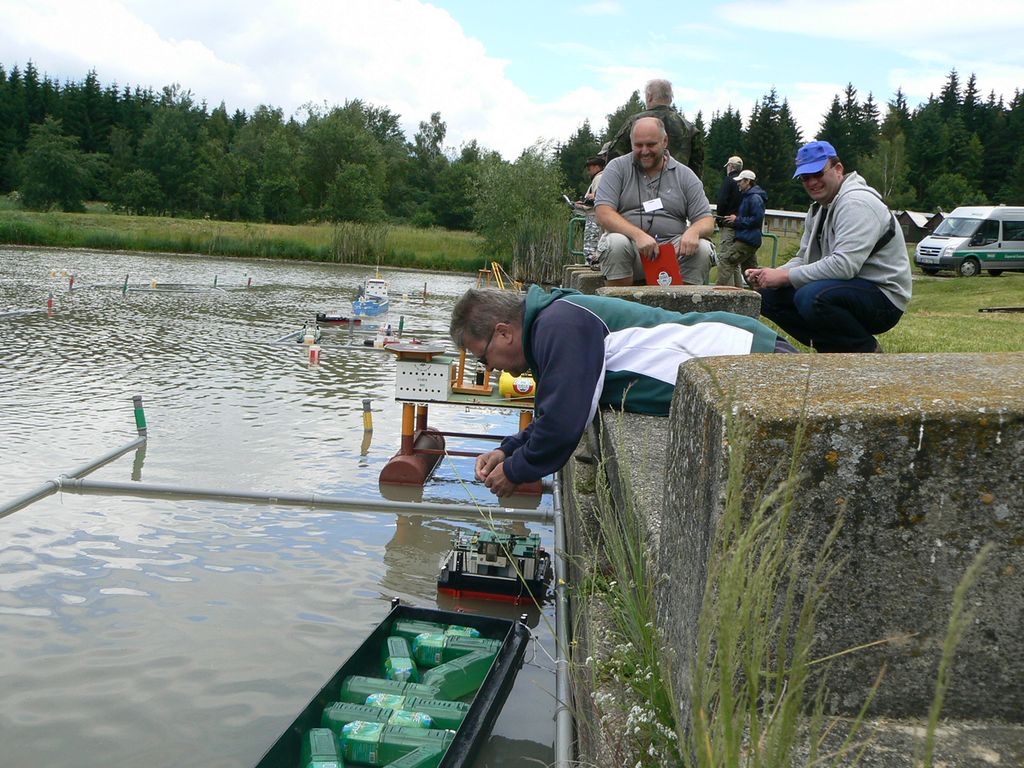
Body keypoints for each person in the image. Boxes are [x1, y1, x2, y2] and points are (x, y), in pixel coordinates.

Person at [450, 286, 798, 496]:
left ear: (504, 332)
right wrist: (508, 449)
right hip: (738, 363)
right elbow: (555, 409)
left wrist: (515, 470)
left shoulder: (558, 326)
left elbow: (563, 423)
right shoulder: (552, 323)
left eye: (483, 358)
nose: (489, 369)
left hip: (746, 360)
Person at [745, 141, 912, 353]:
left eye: (817, 174)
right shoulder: (818, 209)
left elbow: (844, 266)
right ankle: (833, 352)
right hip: (847, 288)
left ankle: (867, 352)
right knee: (767, 296)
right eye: (805, 178)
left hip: (884, 298)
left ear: (838, 169)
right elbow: (804, 258)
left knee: (811, 297)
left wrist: (785, 276)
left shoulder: (856, 203)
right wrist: (771, 275)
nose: (812, 182)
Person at [594, 117, 715, 286]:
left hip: (674, 252)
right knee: (615, 243)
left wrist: (693, 231)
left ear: (665, 141)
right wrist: (638, 235)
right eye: (638, 145)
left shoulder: (686, 175)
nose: (644, 151)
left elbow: (707, 220)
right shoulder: (616, 168)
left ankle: (684, 301)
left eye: (651, 145)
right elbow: (603, 213)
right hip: (631, 250)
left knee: (702, 248)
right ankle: (619, 300)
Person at [603, 78, 704, 177]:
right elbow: (696, 168)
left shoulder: (635, 122)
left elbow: (614, 157)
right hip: (678, 184)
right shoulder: (690, 129)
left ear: (649, 97)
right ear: (670, 99)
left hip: (638, 184)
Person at [718, 169, 766, 287]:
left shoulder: (754, 198)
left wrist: (737, 220)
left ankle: (719, 291)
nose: (738, 184)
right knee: (750, 273)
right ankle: (761, 294)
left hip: (747, 240)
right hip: (751, 240)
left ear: (748, 181)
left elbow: (757, 220)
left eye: (740, 181)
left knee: (726, 260)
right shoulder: (749, 196)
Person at [574, 156, 606, 262]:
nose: (588, 172)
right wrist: (583, 203)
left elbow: (600, 199)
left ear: (597, 167)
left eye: (589, 169)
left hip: (595, 217)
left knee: (591, 248)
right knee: (592, 246)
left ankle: (592, 264)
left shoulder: (599, 178)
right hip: (594, 215)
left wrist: (590, 199)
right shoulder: (602, 177)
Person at [715, 155, 743, 275]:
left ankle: (726, 285)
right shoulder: (744, 182)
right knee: (735, 262)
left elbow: (722, 201)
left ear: (730, 167)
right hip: (740, 224)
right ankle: (738, 286)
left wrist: (719, 219)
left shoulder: (729, 180)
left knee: (725, 260)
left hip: (728, 223)